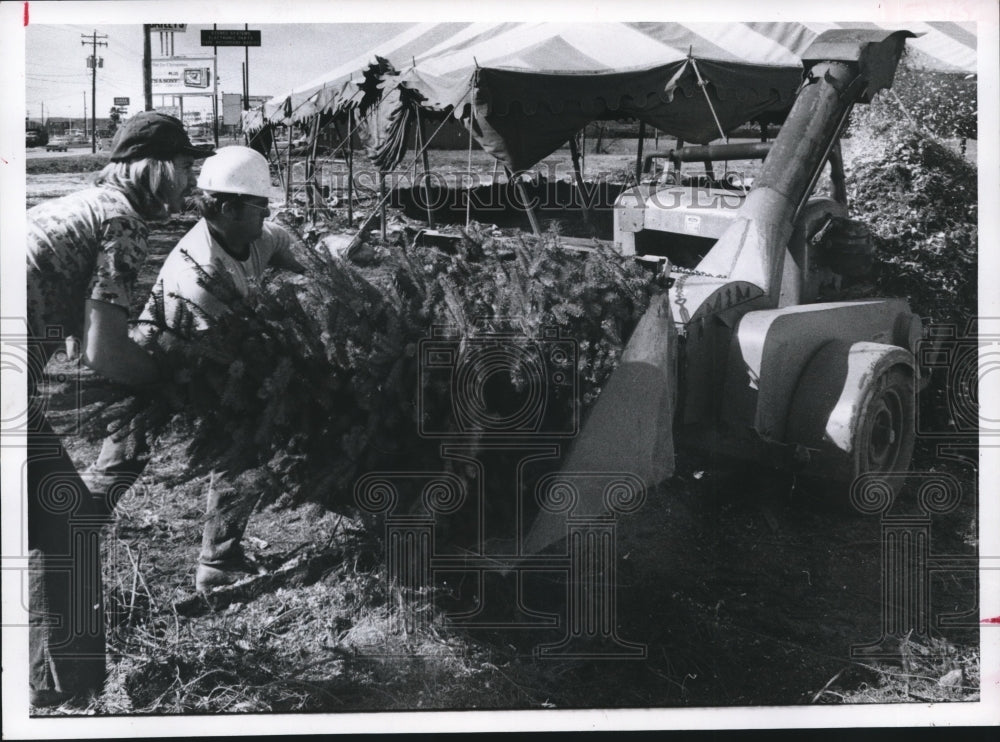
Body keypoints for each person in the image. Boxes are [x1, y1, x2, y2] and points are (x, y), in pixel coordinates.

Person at [25, 112, 212, 707]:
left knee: (49, 521)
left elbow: (76, 325)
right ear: (154, 168)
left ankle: (49, 683)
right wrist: (174, 383)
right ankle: (70, 694)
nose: (191, 181)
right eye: (184, 167)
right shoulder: (121, 223)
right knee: (68, 522)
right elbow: (104, 351)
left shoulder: (79, 206)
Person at [88, 145, 305, 594]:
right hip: (162, 363)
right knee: (130, 458)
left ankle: (218, 561)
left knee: (237, 443)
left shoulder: (249, 234)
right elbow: (230, 355)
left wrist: (328, 265)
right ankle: (57, 536)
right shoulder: (202, 273)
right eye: (260, 205)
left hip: (215, 351)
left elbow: (282, 242)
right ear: (227, 208)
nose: (268, 213)